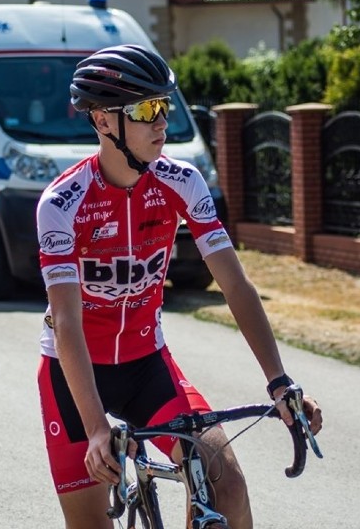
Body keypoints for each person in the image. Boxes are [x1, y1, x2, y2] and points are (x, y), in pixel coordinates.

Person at [35, 44, 322, 529]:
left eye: (164, 107)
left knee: (226, 485)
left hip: (149, 364)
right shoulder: (61, 204)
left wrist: (279, 381)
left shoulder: (181, 181)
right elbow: (66, 321)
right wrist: (96, 428)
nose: (161, 123)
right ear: (103, 121)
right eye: (146, 110)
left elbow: (236, 285)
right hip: (76, 374)